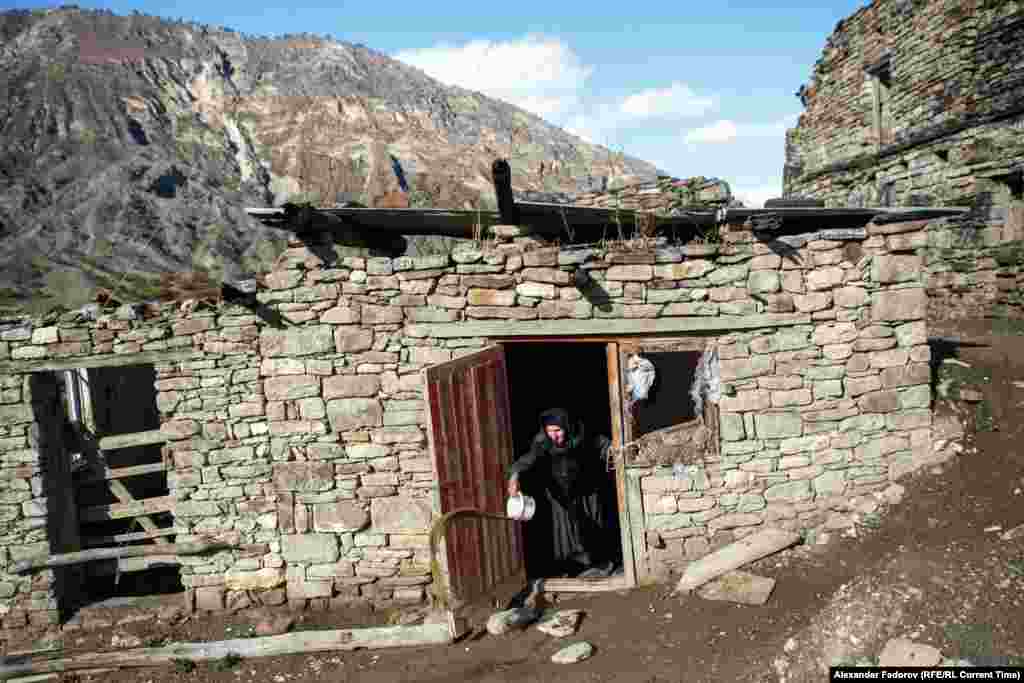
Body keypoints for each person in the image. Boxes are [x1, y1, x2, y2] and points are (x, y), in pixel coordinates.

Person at [506, 408, 620, 580]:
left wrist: (612, 450)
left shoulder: (580, 434)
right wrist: (514, 477)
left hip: (585, 488)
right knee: (566, 531)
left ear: (567, 427)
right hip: (559, 492)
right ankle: (574, 566)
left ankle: (600, 562)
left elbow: (602, 443)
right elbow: (527, 460)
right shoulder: (542, 441)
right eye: (550, 431)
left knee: (593, 524)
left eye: (558, 430)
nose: (554, 436)